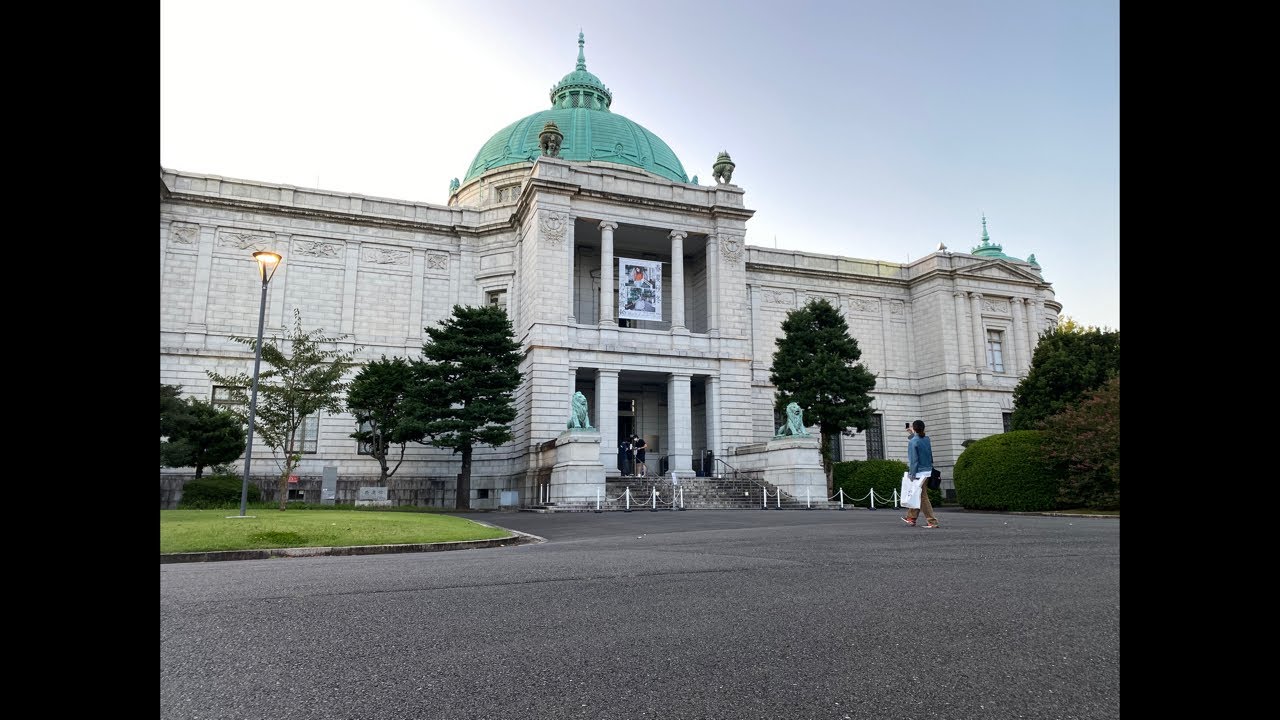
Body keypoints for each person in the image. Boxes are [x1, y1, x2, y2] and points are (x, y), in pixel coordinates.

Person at [902, 419, 940, 528]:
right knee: (917, 494)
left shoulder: (913, 442)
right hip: (927, 471)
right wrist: (912, 433)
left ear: (914, 428)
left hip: (919, 473)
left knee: (922, 496)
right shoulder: (926, 439)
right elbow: (919, 441)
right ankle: (911, 518)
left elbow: (914, 460)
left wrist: (912, 474)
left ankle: (932, 521)